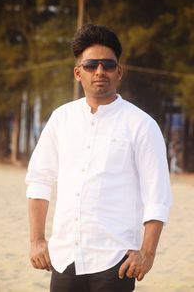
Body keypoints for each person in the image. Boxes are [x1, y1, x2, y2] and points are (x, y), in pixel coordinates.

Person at [26, 24, 172, 292]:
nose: (100, 71)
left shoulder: (141, 124)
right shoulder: (61, 119)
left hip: (114, 262)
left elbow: (158, 196)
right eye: (92, 65)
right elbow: (39, 178)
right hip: (64, 259)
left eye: (108, 64)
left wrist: (147, 254)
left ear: (119, 71)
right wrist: (37, 240)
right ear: (77, 72)